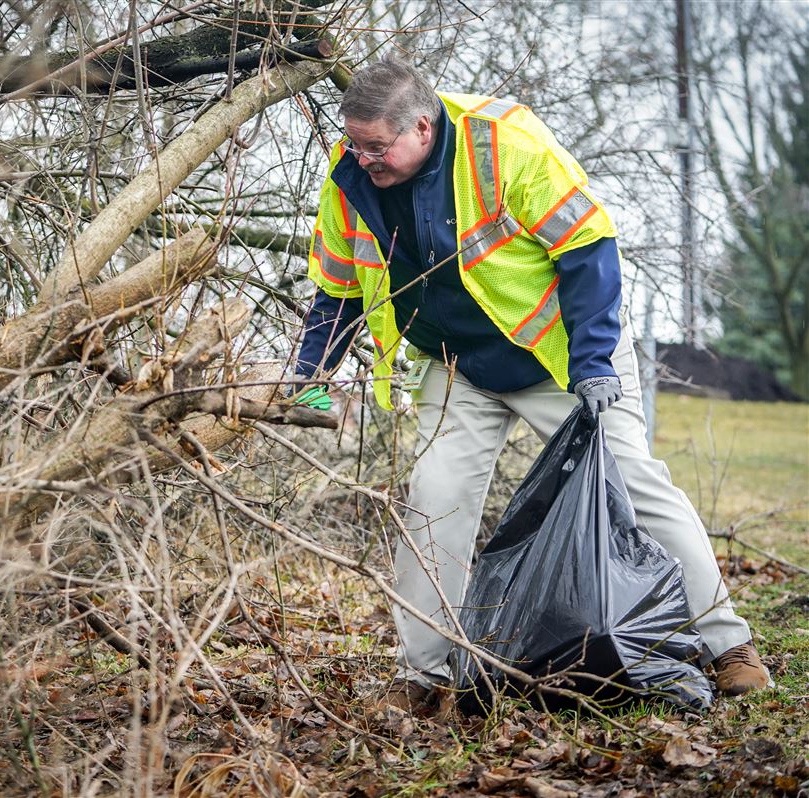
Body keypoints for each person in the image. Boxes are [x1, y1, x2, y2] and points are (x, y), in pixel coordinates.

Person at [289, 56, 771, 713]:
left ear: (423, 128)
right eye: (354, 142)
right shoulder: (351, 179)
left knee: (634, 482)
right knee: (434, 504)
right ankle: (426, 677)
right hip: (456, 366)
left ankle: (729, 647)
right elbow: (339, 286)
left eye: (376, 145)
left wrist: (596, 362)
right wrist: (310, 374)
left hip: (560, 358)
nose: (363, 156)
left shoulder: (504, 145)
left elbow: (588, 247)